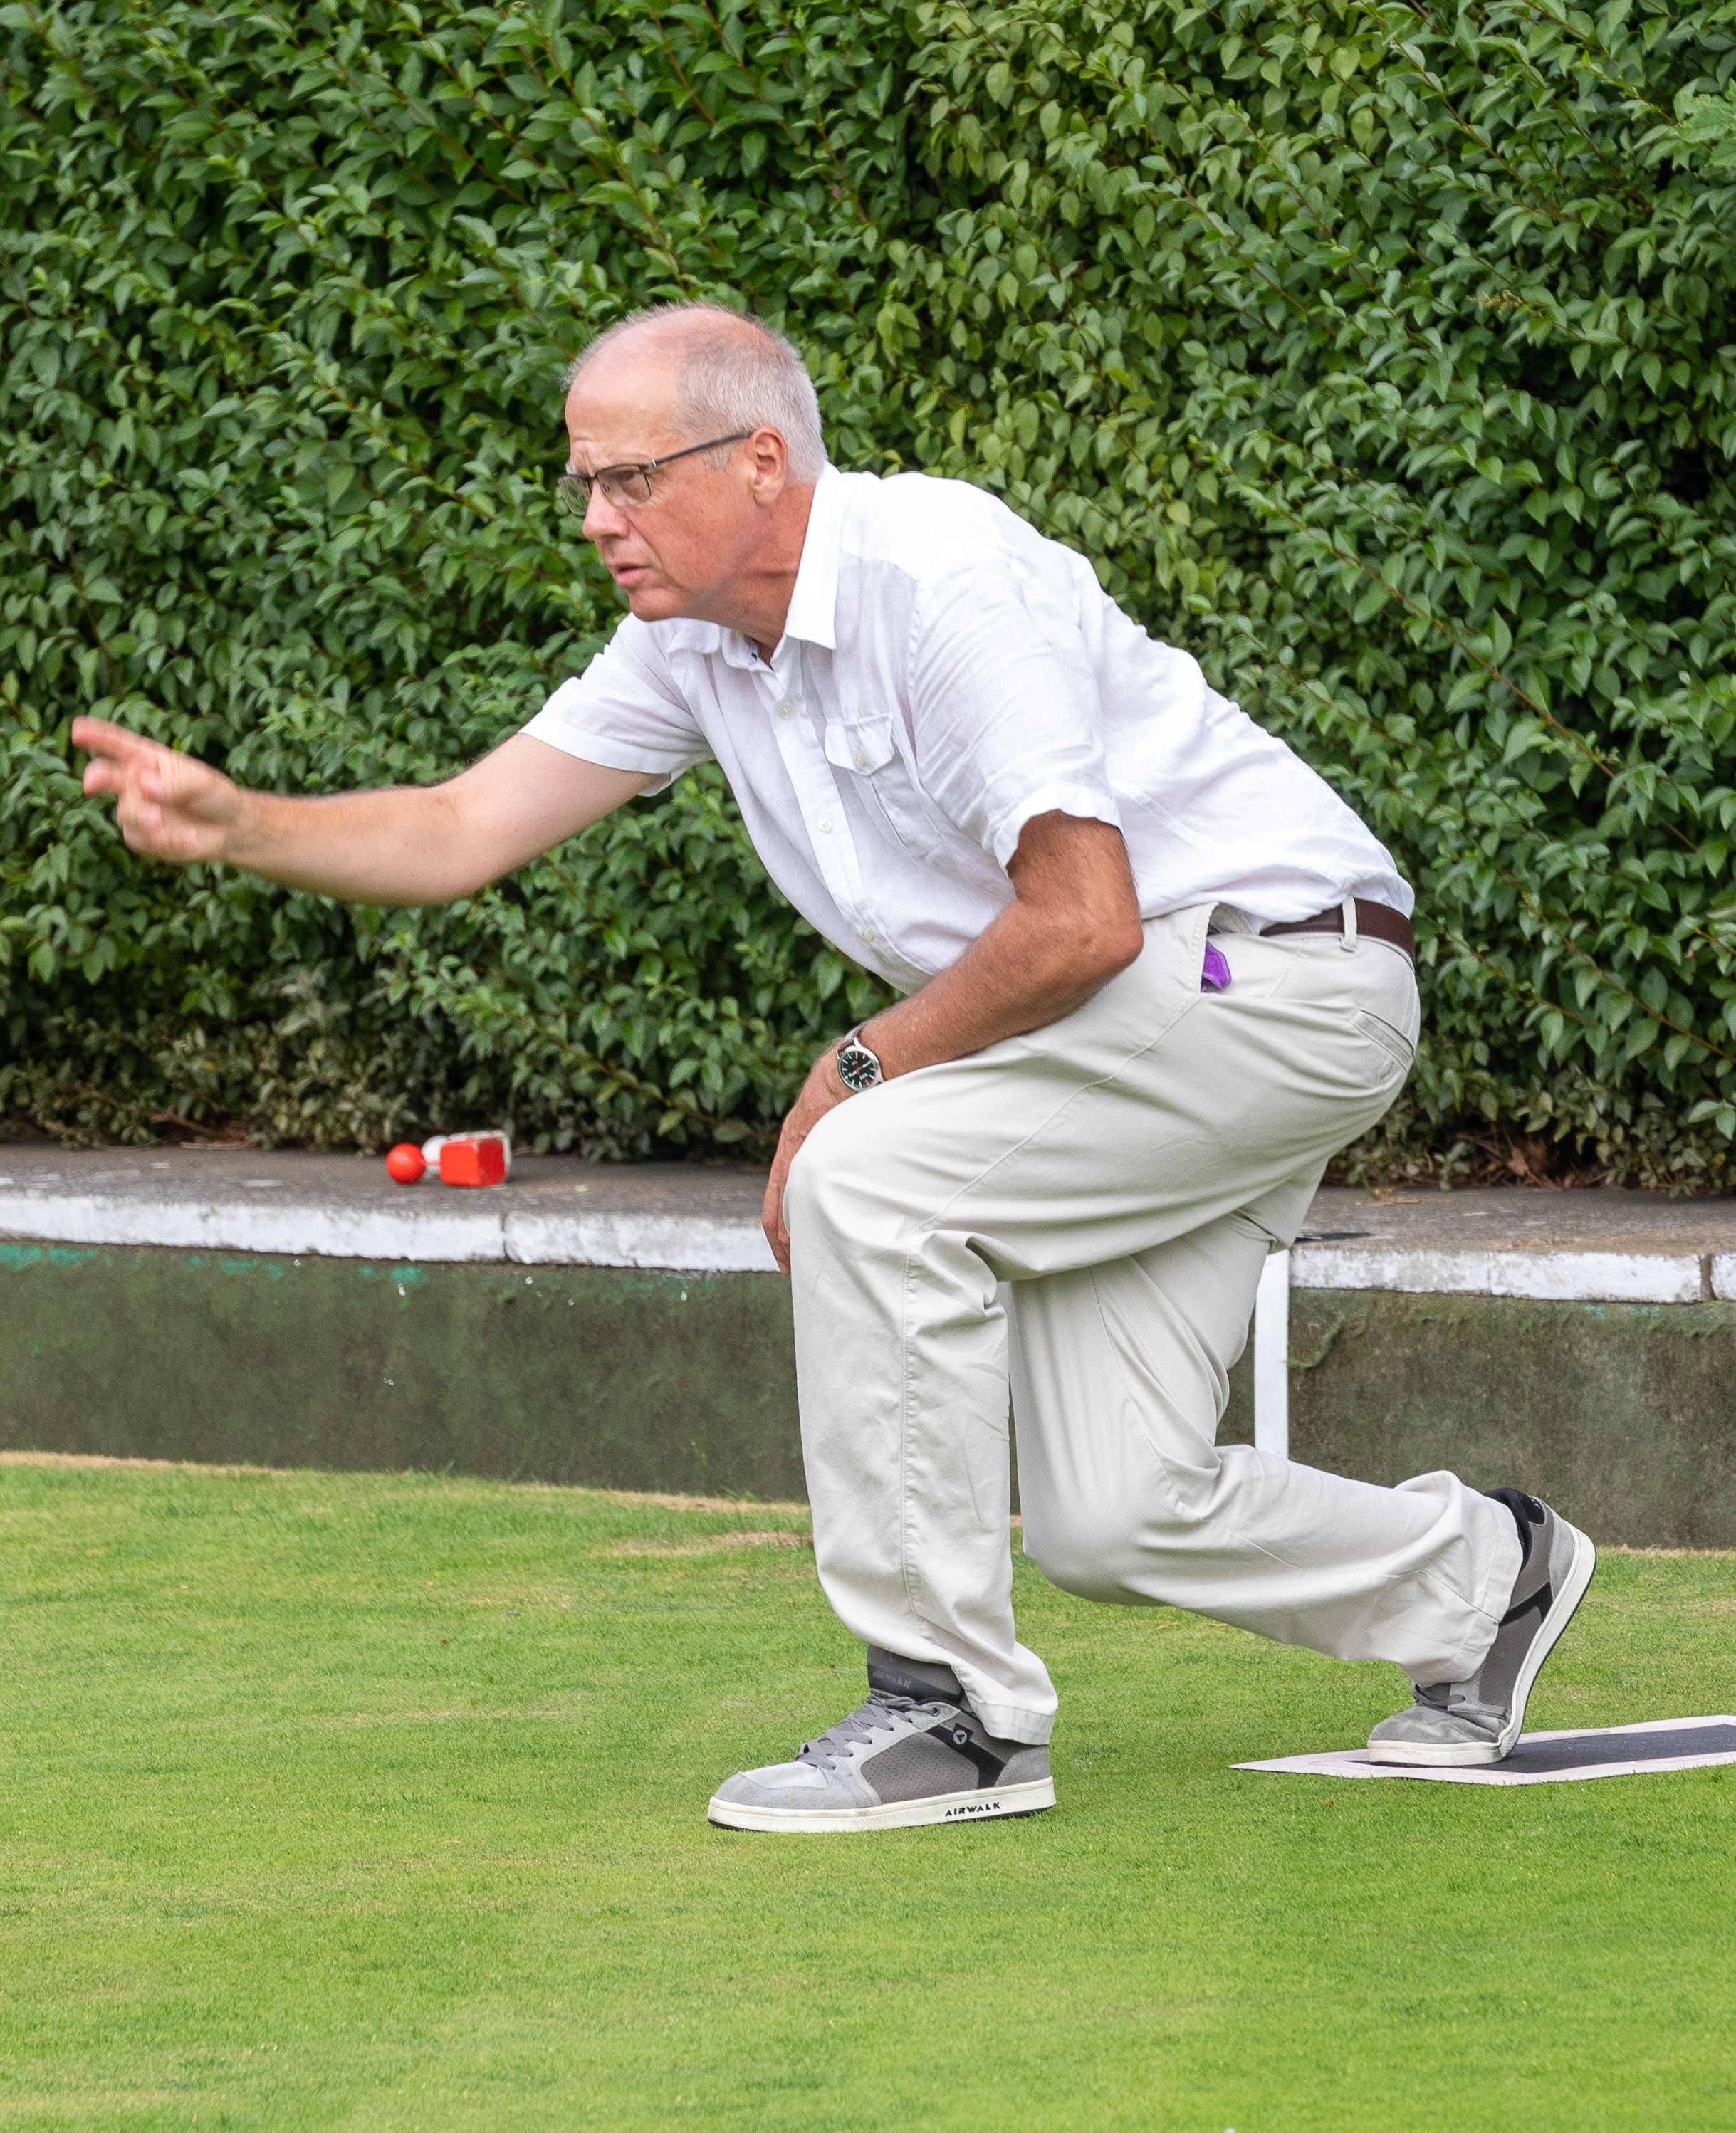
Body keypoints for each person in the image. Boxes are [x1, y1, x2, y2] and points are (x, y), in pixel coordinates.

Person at [75, 301, 1596, 1833]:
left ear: (758, 459)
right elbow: (466, 828)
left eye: (630, 479)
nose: (600, 520)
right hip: (1142, 1021)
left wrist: (851, 1072)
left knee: (867, 1173)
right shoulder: (689, 642)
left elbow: (1081, 918)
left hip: (1271, 978)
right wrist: (243, 824)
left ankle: (950, 1712)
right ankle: (1486, 1581)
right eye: (583, 486)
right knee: (1115, 1511)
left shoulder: (940, 578)